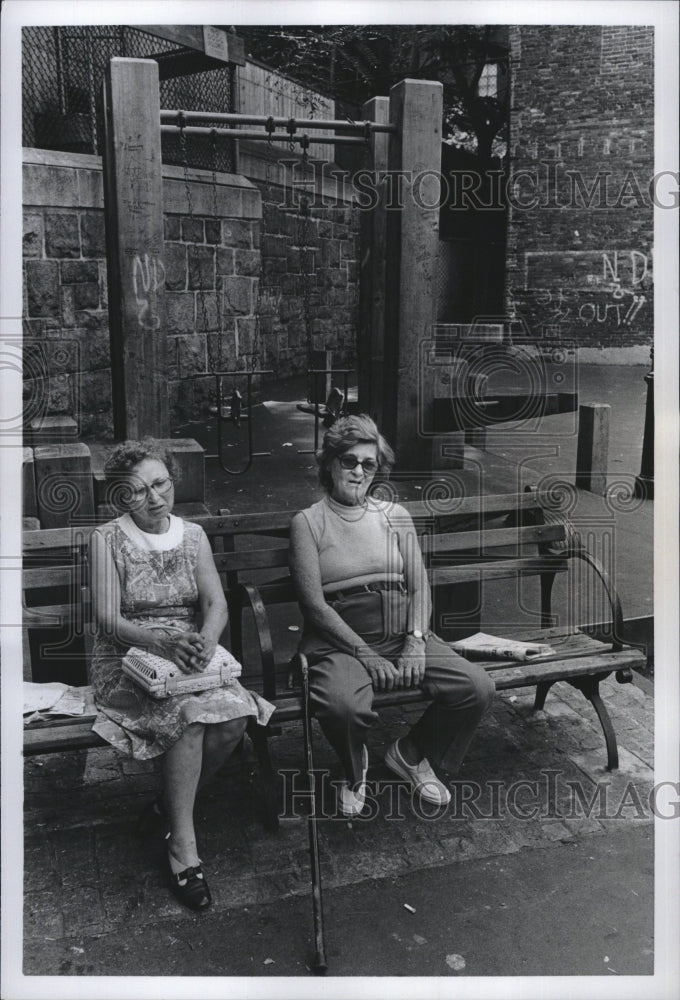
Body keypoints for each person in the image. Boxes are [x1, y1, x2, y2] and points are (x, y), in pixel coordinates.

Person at [89, 439, 274, 911]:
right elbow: (109, 619)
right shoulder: (107, 538)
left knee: (234, 718)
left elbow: (215, 603)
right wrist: (162, 640)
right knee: (190, 719)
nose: (154, 498)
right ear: (122, 497)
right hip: (127, 655)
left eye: (160, 484)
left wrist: (208, 639)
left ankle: (164, 808)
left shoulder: (193, 535)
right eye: (138, 491)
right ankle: (182, 848)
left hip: (189, 649)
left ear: (173, 481)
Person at [289, 415, 495, 816]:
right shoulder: (308, 522)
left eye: (369, 464)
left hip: (401, 628)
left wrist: (416, 640)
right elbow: (314, 605)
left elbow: (419, 586)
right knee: (343, 707)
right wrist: (366, 653)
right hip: (341, 640)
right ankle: (354, 768)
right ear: (329, 463)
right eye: (349, 461)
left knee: (476, 688)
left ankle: (412, 754)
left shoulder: (394, 515)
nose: (359, 472)